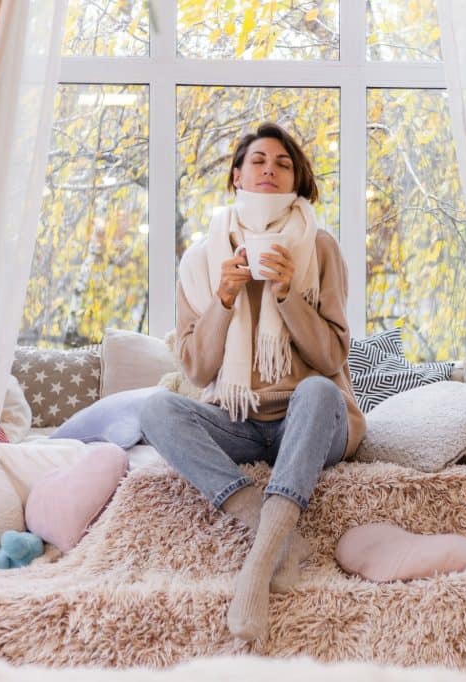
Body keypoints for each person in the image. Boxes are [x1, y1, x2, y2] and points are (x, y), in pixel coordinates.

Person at [139, 122, 365, 644]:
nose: (270, 168)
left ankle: (258, 567)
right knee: (156, 408)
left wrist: (286, 294)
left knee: (318, 389)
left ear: (298, 179)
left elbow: (331, 356)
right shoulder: (199, 260)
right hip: (239, 419)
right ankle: (277, 542)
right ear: (236, 175)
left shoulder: (321, 248)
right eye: (258, 160)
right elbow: (196, 370)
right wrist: (222, 300)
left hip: (310, 422)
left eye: (283, 162)